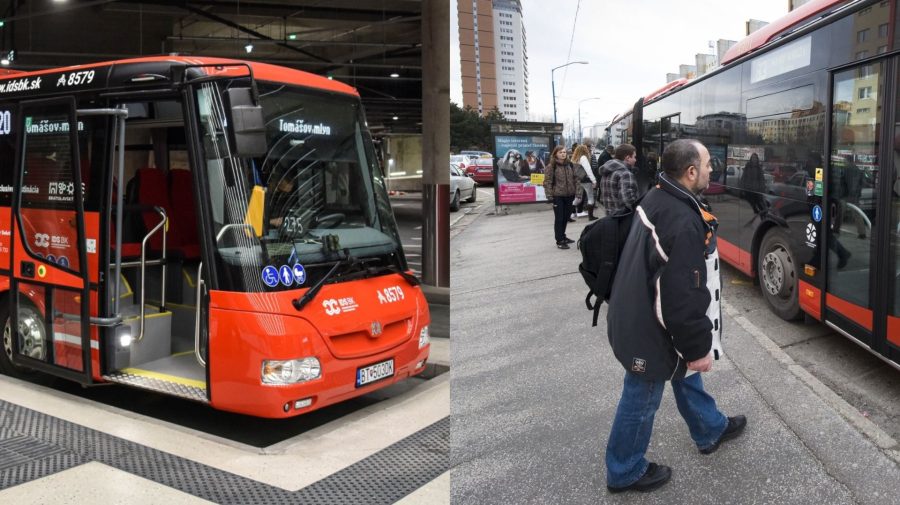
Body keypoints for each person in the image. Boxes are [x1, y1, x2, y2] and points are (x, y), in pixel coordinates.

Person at [605, 139, 747, 493]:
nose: (713, 169)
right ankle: (624, 470)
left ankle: (709, 428)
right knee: (642, 395)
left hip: (635, 310)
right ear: (690, 171)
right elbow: (681, 299)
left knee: (682, 374)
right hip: (648, 327)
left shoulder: (659, 196)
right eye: (708, 163)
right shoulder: (681, 220)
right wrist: (699, 348)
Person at [542, 145, 579, 249]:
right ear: (555, 154)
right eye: (560, 152)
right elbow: (547, 182)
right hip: (558, 196)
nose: (563, 154)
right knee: (559, 218)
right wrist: (549, 195)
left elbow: (577, 179)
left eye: (564, 152)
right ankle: (559, 240)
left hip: (570, 195)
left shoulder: (570, 165)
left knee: (566, 217)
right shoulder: (551, 166)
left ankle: (563, 236)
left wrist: (578, 193)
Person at [599, 144, 639, 215]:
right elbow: (628, 201)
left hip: (610, 217)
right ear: (627, 158)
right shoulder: (625, 174)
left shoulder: (607, 171)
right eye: (634, 157)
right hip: (622, 218)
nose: (635, 160)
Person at [739, 153, 768, 226]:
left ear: (757, 159)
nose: (754, 159)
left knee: (760, 205)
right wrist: (742, 188)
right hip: (748, 190)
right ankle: (757, 214)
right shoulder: (748, 166)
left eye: (755, 158)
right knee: (752, 204)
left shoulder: (759, 168)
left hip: (757, 190)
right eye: (753, 158)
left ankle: (763, 218)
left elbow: (762, 179)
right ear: (751, 159)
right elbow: (743, 177)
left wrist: (762, 189)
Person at [572, 144, 599, 221]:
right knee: (591, 198)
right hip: (586, 180)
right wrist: (594, 180)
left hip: (578, 180)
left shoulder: (574, 159)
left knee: (578, 198)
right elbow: (588, 170)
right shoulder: (583, 157)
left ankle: (572, 212)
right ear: (584, 150)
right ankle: (591, 217)